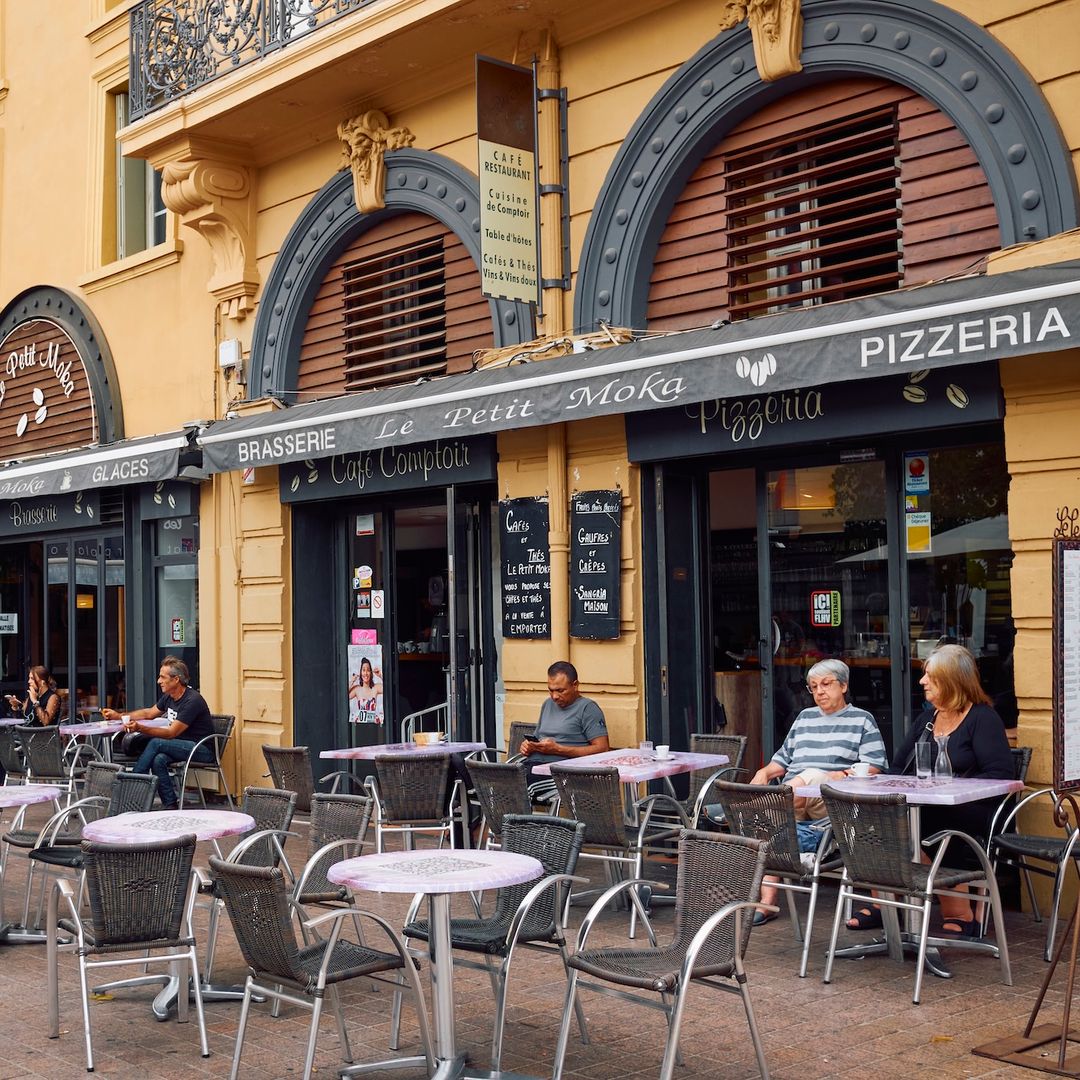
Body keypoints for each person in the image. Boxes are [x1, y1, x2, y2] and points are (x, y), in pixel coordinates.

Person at [868, 642, 1013, 937]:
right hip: (929, 805)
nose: (922, 681)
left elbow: (999, 777)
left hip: (977, 809)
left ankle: (958, 911)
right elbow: (899, 768)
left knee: (927, 820)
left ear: (951, 680)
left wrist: (950, 788)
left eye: (930, 676)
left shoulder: (982, 718)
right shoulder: (927, 719)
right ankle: (885, 901)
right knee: (880, 817)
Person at [749, 658, 887, 924]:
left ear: (843, 686)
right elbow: (782, 760)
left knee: (810, 777)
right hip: (795, 799)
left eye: (826, 684)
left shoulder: (862, 719)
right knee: (775, 814)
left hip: (832, 800)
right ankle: (767, 902)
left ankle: (748, 808)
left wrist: (841, 774)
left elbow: (875, 766)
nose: (819, 691)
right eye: (813, 686)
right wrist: (765, 773)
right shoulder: (804, 718)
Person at [101, 656, 215, 810]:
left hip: (201, 749)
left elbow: (171, 733)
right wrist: (118, 716)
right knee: (158, 759)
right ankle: (170, 804)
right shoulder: (169, 697)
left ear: (176, 679)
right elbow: (149, 713)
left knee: (156, 743)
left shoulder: (192, 700)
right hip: (181, 746)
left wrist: (140, 728)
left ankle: (132, 782)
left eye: (162, 677)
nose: (158, 681)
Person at [519, 661, 609, 783]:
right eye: (550, 690)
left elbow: (602, 749)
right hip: (533, 764)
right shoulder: (548, 704)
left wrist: (558, 749)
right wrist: (528, 746)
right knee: (498, 778)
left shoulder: (588, 708)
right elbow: (537, 738)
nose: (554, 696)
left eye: (560, 690)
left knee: (516, 784)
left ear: (575, 685)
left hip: (562, 773)